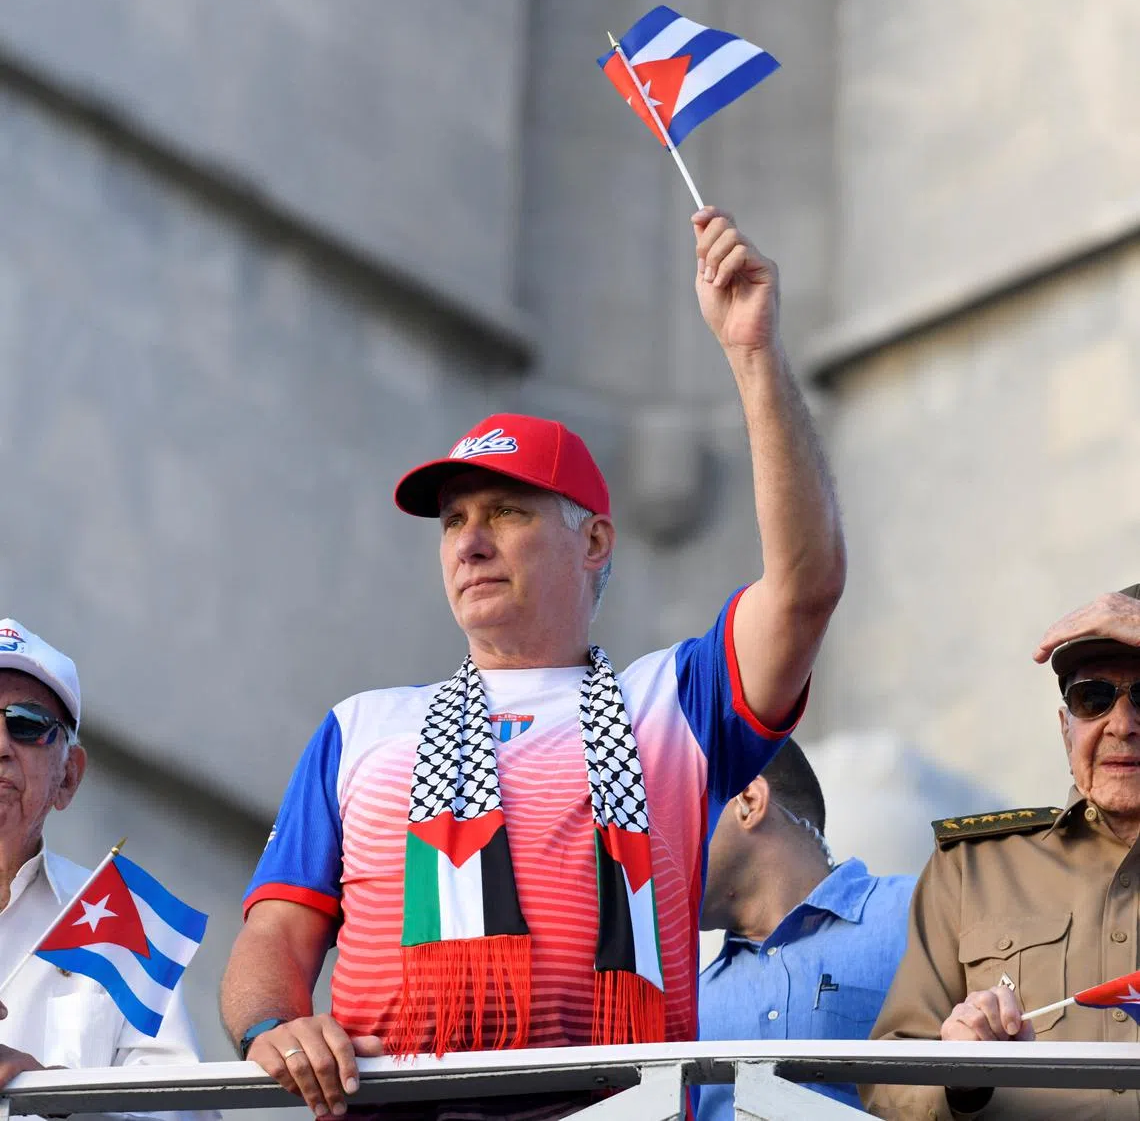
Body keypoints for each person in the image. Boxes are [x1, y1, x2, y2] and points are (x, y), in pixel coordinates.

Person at [221, 206, 847, 1121]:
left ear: (593, 539)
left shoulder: (671, 705)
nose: (470, 543)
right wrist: (272, 1025)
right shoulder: (362, 726)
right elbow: (277, 928)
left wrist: (754, 355)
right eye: (453, 522)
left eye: (506, 513)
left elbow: (803, 588)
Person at [864, 583, 1140, 1120]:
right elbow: (886, 1082)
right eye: (1093, 698)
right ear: (1066, 729)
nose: (1123, 725)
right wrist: (959, 1080)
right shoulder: (973, 868)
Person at [0, 618, 211, 1121]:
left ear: (68, 777)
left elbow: (183, 1116)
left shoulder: (123, 923)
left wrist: (55, 1100)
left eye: (26, 724)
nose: (1, 744)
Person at [698, 738, 915, 1118]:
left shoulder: (919, 912)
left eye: (676, 814)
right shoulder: (685, 1001)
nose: (660, 845)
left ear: (748, 801)